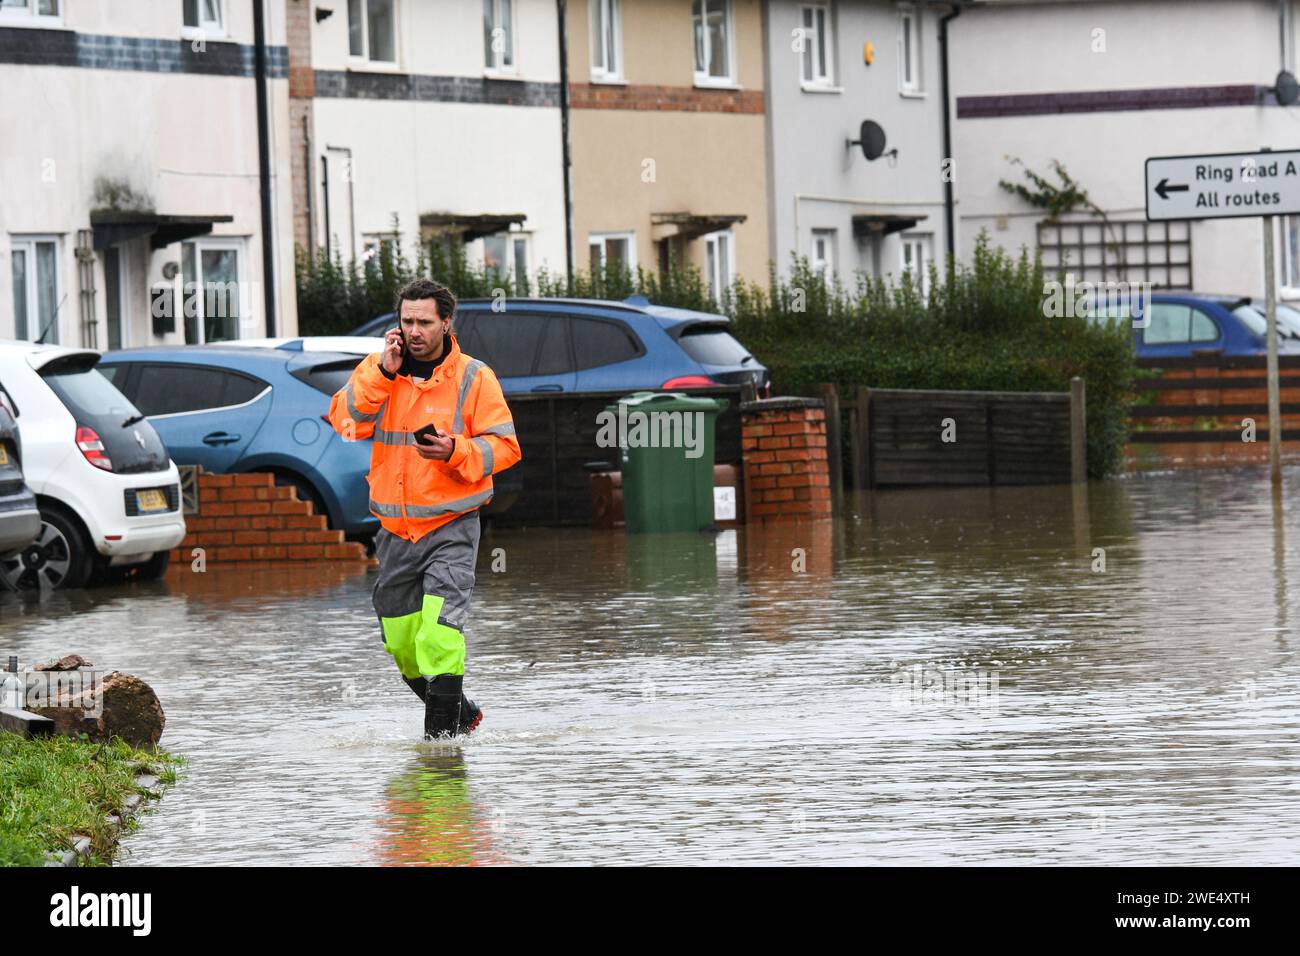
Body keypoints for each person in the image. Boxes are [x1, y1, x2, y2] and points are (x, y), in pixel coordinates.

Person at [329, 278, 521, 738]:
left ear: (446, 322)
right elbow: (346, 423)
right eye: (407, 321)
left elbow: (506, 447)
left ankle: (439, 753)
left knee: (438, 635)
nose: (414, 330)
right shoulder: (381, 370)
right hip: (395, 531)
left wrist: (455, 450)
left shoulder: (475, 377)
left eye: (424, 322)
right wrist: (381, 372)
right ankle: (463, 714)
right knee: (402, 644)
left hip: (452, 525)